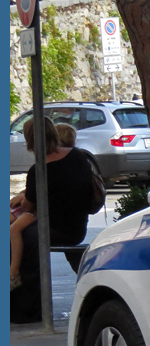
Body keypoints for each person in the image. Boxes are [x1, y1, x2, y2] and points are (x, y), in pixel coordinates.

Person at [10, 118, 95, 323]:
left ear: (30, 141)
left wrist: (21, 199)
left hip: (53, 229)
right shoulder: (77, 156)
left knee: (22, 237)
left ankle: (24, 307)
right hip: (76, 226)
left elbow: (29, 206)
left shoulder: (39, 169)